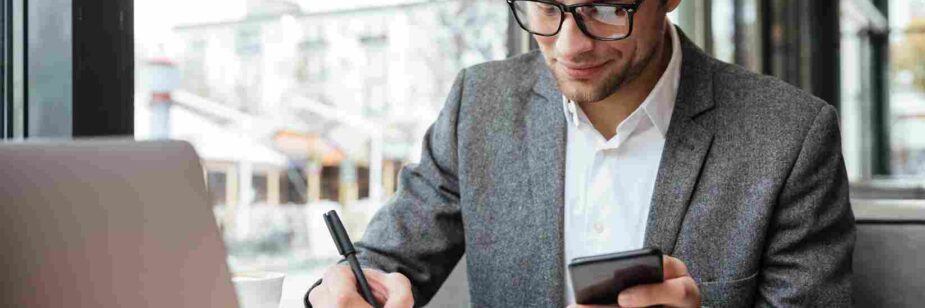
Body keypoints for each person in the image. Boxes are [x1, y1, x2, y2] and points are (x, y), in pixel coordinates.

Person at [306, 0, 855, 307]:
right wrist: (339, 291)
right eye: (547, 8)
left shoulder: (789, 136)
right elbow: (384, 262)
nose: (570, 45)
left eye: (606, 9)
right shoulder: (479, 104)